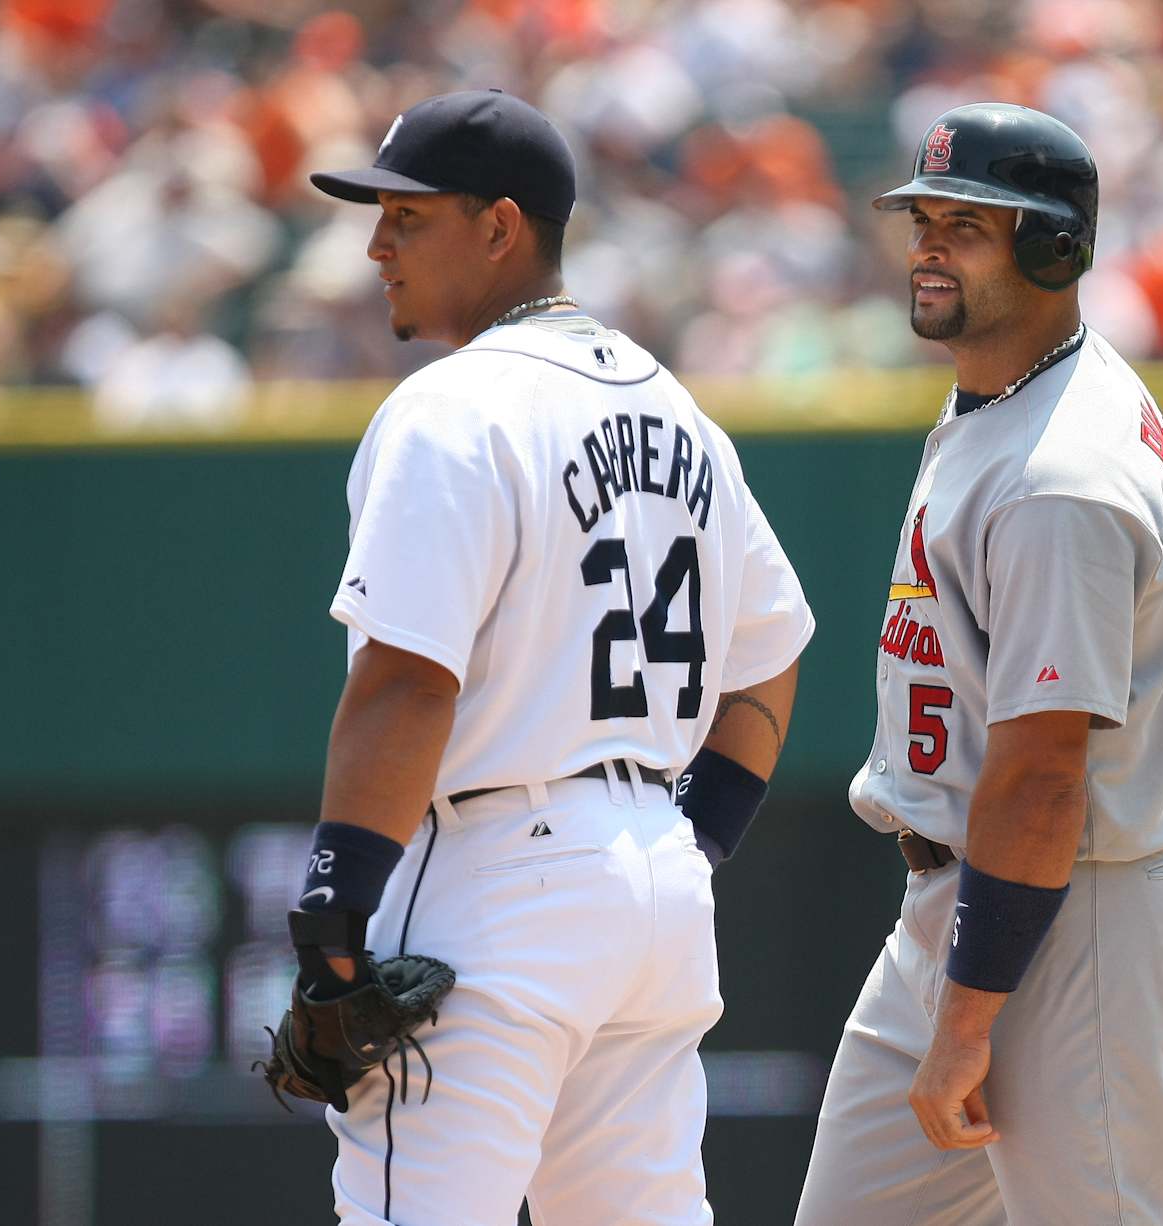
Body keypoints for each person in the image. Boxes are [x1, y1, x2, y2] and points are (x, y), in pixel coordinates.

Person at [290, 89, 815, 1226]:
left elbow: (406, 681)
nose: (376, 243)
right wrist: (693, 832)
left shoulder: (453, 407)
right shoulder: (683, 415)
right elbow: (770, 655)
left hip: (494, 872)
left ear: (500, 226)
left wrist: (331, 926)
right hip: (655, 895)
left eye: (407, 217)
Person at [794, 102, 1163, 1225]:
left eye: (967, 225)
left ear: (1052, 248)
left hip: (1070, 911)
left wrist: (971, 1018)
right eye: (922, 218)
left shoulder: (1059, 473)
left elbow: (1041, 775)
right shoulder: (1014, 396)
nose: (928, 245)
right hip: (965, 902)